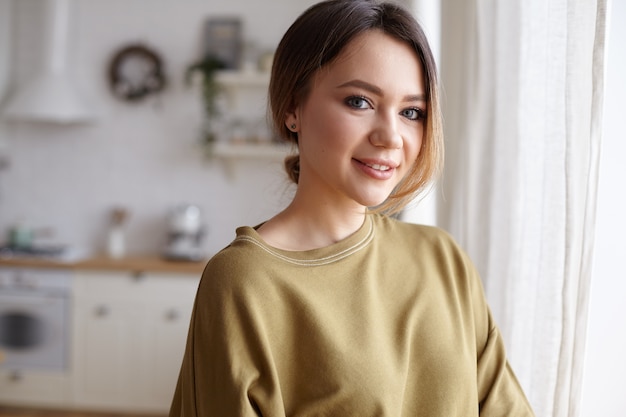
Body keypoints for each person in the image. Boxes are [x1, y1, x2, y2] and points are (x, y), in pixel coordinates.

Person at [169, 0, 535, 415]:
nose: (391, 136)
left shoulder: (443, 259)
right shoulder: (244, 282)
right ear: (292, 107)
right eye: (360, 102)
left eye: (412, 112)